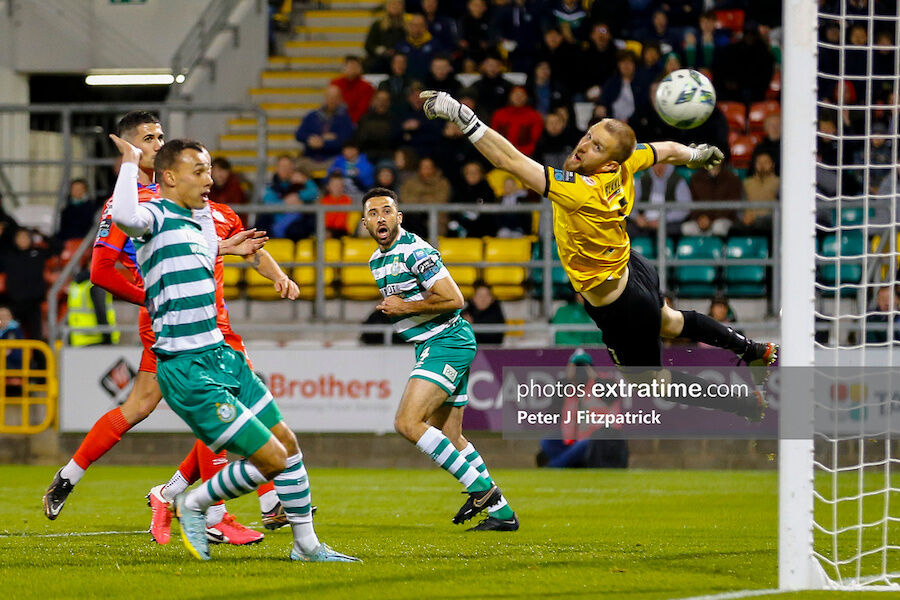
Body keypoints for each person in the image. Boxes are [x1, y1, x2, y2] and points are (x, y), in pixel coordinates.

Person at [420, 89, 778, 419]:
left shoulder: (581, 190)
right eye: (590, 135)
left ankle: (745, 403)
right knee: (670, 322)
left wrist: (460, 113)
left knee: (651, 382)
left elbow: (509, 160)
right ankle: (754, 350)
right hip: (633, 266)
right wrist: (695, 154)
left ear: (607, 164)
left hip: (618, 301)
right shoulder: (627, 162)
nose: (584, 146)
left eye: (596, 147)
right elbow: (667, 149)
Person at [42, 113, 301, 546]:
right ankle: (225, 505)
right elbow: (103, 270)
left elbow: (239, 247)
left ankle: (81, 478)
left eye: (161, 135)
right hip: (178, 326)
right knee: (225, 402)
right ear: (132, 149)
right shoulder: (135, 207)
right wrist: (158, 296)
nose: (158, 142)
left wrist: (275, 273)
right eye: (148, 138)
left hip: (211, 321)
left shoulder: (203, 206)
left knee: (141, 406)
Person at [104, 135, 357, 563]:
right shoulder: (152, 214)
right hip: (187, 369)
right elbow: (127, 216)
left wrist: (231, 248)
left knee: (288, 444)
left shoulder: (199, 220)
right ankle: (193, 503)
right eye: (198, 171)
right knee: (273, 459)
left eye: (209, 170)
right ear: (168, 177)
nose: (210, 179)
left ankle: (307, 545)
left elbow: (200, 249)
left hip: (224, 356)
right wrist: (131, 162)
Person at [361, 186, 518, 531]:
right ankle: (502, 514)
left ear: (398, 217)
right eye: (373, 213)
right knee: (451, 434)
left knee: (407, 422)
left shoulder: (415, 250)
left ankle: (482, 491)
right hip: (434, 344)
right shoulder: (376, 261)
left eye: (387, 210)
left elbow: (454, 298)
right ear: (365, 224)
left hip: (446, 341)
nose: (380, 218)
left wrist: (405, 306)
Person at [294, 85, 355, 172]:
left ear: (340, 99)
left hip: (333, 159)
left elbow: (345, 141)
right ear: (325, 97)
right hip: (310, 158)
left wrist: (324, 144)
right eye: (330, 97)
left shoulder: (345, 119)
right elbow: (298, 134)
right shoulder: (312, 116)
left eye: (335, 97)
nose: (332, 100)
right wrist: (310, 139)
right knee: (295, 168)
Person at [67, 266, 118, 346]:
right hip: (97, 339)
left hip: (78, 339)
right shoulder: (95, 284)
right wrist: (108, 336)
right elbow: (101, 312)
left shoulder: (76, 286)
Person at [363, 0, 406, 73]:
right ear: (387, 7)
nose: (395, 6)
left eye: (398, 4)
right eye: (393, 4)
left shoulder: (406, 26)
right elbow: (368, 45)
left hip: (400, 60)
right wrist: (382, 50)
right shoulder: (377, 25)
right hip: (381, 61)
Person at [330, 56, 375, 124]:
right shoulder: (335, 84)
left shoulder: (367, 87)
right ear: (344, 68)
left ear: (360, 68)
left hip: (359, 123)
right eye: (349, 67)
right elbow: (331, 105)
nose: (352, 70)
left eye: (354, 67)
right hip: (337, 121)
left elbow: (362, 109)